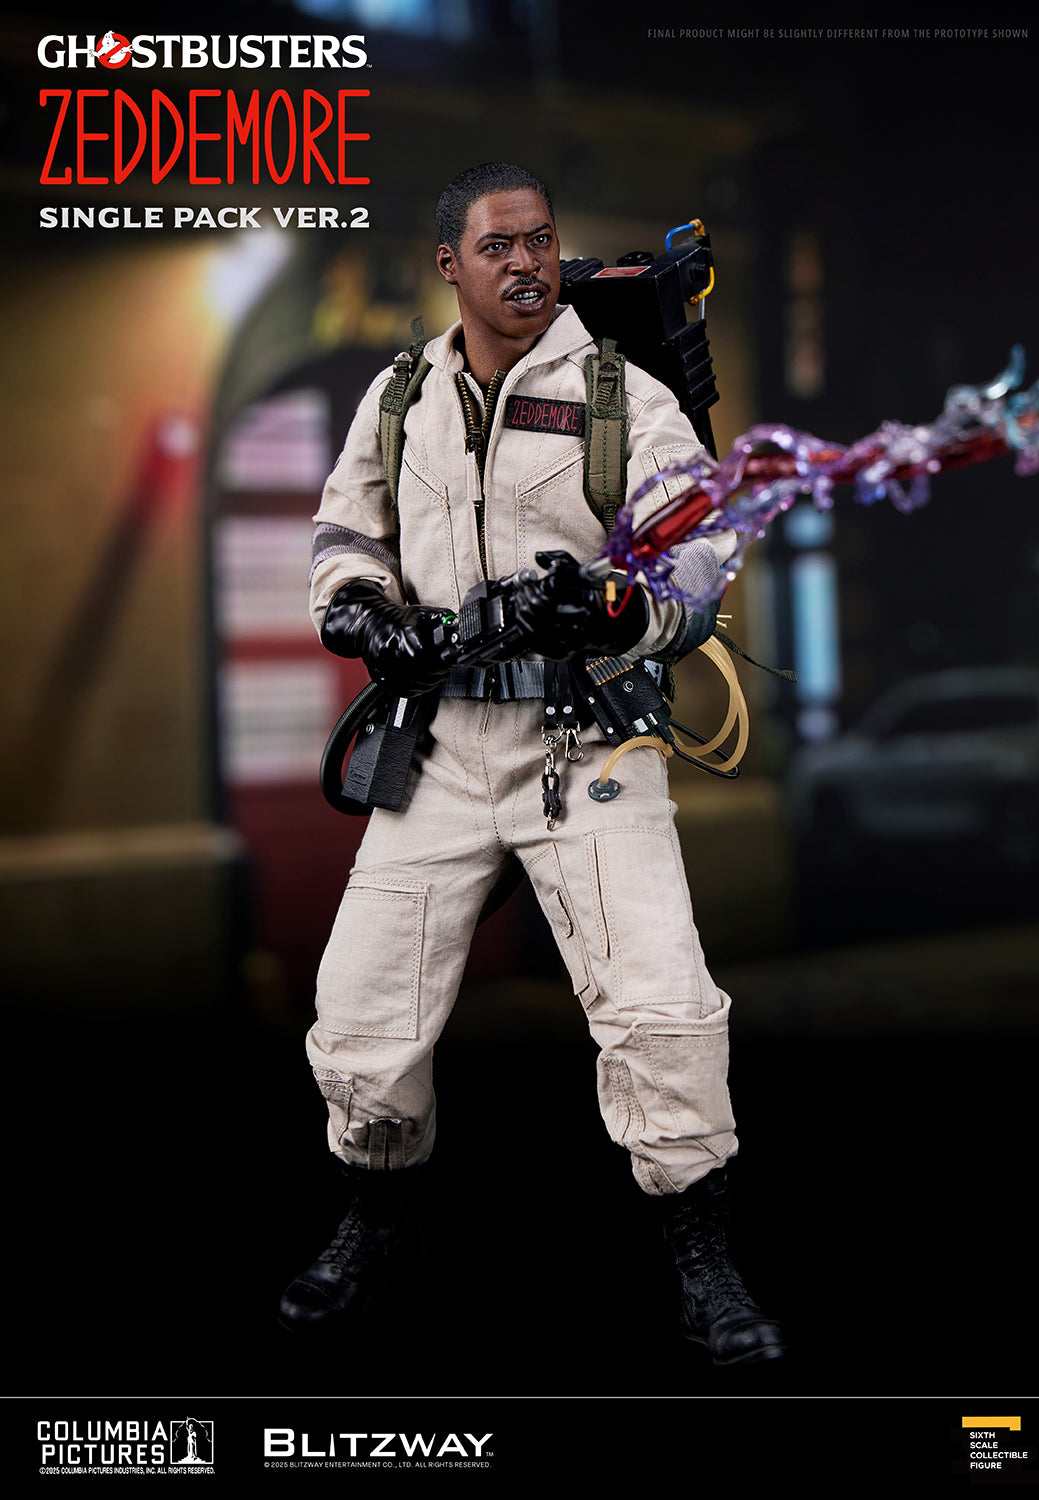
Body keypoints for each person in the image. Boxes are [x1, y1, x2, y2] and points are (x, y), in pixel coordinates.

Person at [278, 162, 785, 1366]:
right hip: (440, 747)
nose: (526, 264)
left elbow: (699, 555)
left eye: (541, 242)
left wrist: (617, 610)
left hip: (585, 741)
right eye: (498, 246)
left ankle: (703, 1258)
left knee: (659, 1007)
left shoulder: (622, 397)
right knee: (361, 1016)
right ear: (449, 264)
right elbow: (346, 534)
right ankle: (377, 1223)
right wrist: (364, 616)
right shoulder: (400, 397)